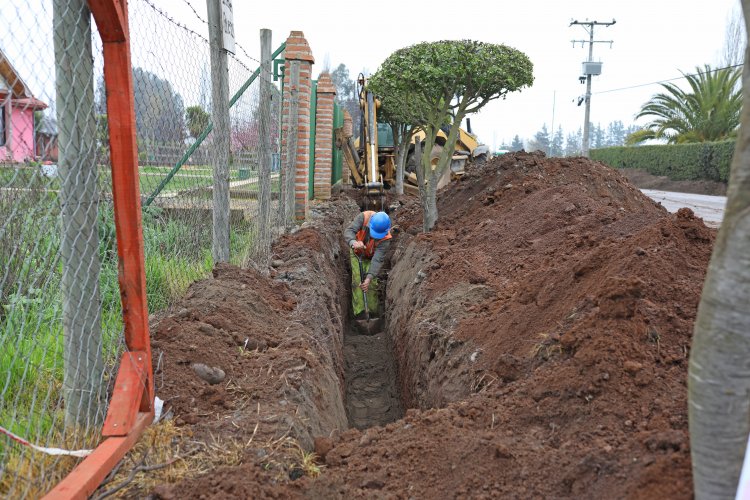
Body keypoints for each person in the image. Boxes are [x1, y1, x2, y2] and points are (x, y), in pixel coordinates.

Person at [343, 210, 392, 317]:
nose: (375, 237)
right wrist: (353, 242)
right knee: (358, 282)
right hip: (357, 253)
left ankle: (373, 312)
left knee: (371, 283)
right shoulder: (364, 218)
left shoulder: (386, 239)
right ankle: (360, 313)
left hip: (372, 257)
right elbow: (349, 231)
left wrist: (369, 278)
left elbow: (377, 260)